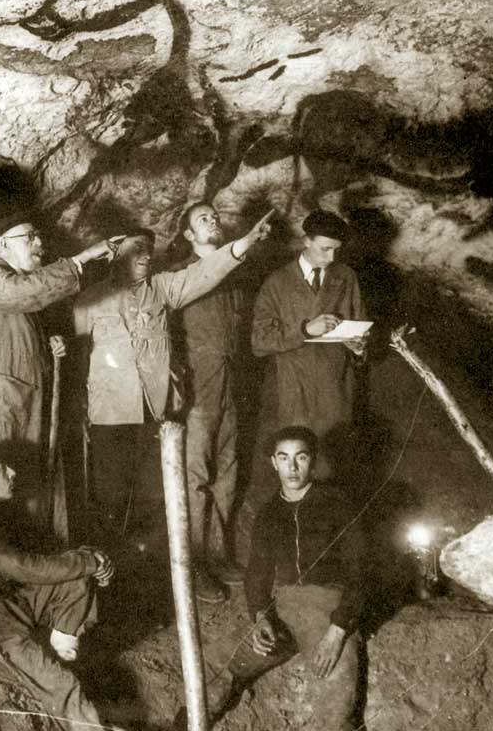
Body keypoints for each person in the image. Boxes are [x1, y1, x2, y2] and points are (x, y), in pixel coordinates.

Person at [71, 210, 272, 570]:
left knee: (153, 498)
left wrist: (246, 242)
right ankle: (106, 576)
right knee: (109, 500)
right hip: (109, 416)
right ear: (115, 253)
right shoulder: (89, 301)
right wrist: (79, 410)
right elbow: (76, 359)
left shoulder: (163, 289)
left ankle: (151, 576)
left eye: (149, 248)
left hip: (153, 413)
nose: (145, 254)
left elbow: (207, 271)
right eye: (136, 248)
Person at [180, 427, 367, 731]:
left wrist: (338, 632)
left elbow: (362, 571)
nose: (292, 468)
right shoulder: (269, 513)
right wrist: (260, 619)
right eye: (284, 458)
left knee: (336, 708)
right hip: (285, 610)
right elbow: (257, 575)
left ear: (313, 461)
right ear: (273, 462)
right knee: (213, 664)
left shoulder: (337, 503)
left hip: (330, 611)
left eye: (300, 457)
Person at [0, 206, 117, 531]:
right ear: (1, 246)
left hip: (17, 401)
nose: (38, 242)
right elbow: (25, 293)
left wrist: (47, 347)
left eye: (38, 235)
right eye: (29, 237)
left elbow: (15, 328)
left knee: (19, 489)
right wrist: (81, 259)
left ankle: (23, 567)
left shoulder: (19, 288)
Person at [0, 441, 115, 730]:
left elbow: (43, 561)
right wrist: (87, 561)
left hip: (7, 606)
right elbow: (24, 567)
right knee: (64, 686)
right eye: (3, 470)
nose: (13, 472)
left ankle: (59, 652)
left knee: (76, 575)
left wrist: (90, 558)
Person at [170, 202, 254, 602]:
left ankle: (219, 555)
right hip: (198, 392)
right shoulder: (182, 277)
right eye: (204, 218)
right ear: (188, 235)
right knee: (196, 478)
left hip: (231, 390)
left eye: (216, 216)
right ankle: (195, 563)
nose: (214, 220)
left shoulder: (236, 276)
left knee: (228, 474)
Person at [250, 209, 366, 482]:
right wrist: (305, 329)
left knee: (336, 468)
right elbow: (258, 342)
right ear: (306, 241)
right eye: (325, 249)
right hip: (294, 390)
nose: (332, 257)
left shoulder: (346, 277)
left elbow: (361, 329)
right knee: (297, 469)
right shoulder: (277, 283)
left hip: (335, 388)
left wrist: (358, 347)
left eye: (337, 250)